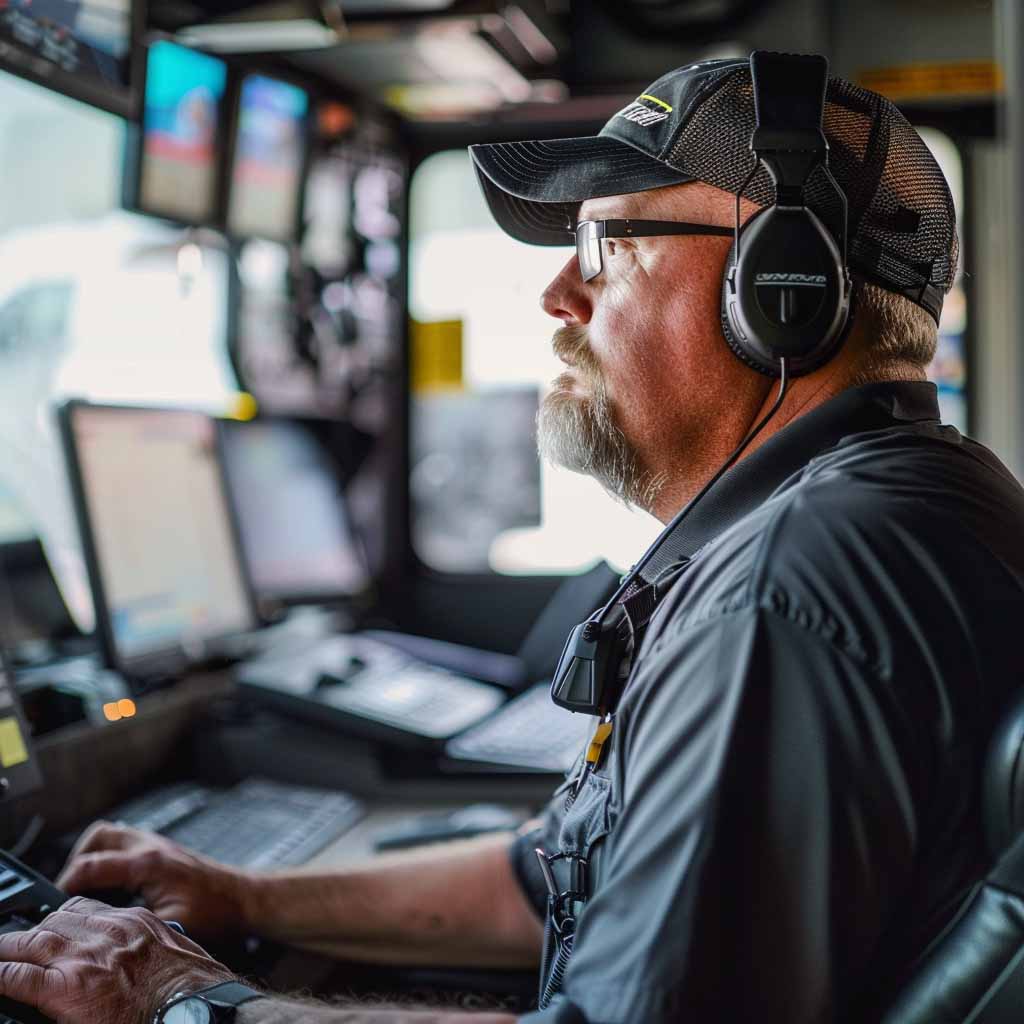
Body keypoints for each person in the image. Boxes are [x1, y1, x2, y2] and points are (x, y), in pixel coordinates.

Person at [2, 54, 1023, 1024]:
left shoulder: (789, 591)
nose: (556, 297)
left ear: (778, 289)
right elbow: (551, 879)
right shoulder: (902, 503)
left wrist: (186, 999)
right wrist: (241, 893)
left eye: (603, 250)